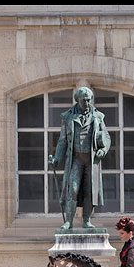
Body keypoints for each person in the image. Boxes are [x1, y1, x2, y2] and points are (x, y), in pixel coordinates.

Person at [48, 86, 111, 230]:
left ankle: (86, 221)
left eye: (89, 100)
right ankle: (68, 222)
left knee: (90, 190)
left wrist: (103, 149)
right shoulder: (67, 117)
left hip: (91, 160)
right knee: (73, 189)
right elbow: (62, 141)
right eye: (84, 100)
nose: (87, 103)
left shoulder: (98, 116)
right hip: (75, 159)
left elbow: (106, 136)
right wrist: (57, 158)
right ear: (77, 100)